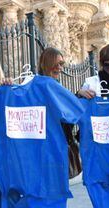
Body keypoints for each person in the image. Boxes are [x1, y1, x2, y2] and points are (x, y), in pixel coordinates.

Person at [38, 47, 82, 179]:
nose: (59, 68)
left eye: (61, 64)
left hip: (60, 146)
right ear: (45, 64)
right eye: (55, 64)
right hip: (42, 148)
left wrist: (77, 96)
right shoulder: (35, 87)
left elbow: (68, 116)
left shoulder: (60, 89)